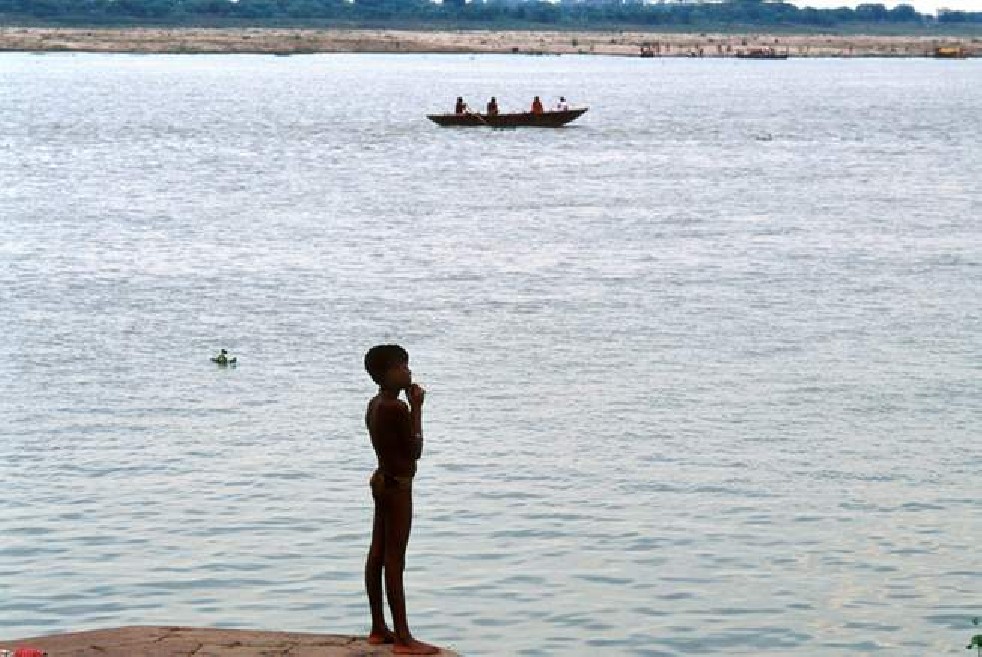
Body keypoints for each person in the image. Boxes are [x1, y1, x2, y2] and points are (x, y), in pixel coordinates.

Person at [362, 345, 440, 655]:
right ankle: (404, 638)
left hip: (382, 481)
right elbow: (414, 450)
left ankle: (379, 627)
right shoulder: (396, 408)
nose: (408, 371)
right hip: (397, 487)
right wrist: (417, 408)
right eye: (401, 367)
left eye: (407, 365)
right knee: (395, 559)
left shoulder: (375, 403)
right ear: (384, 374)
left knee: (378, 553)